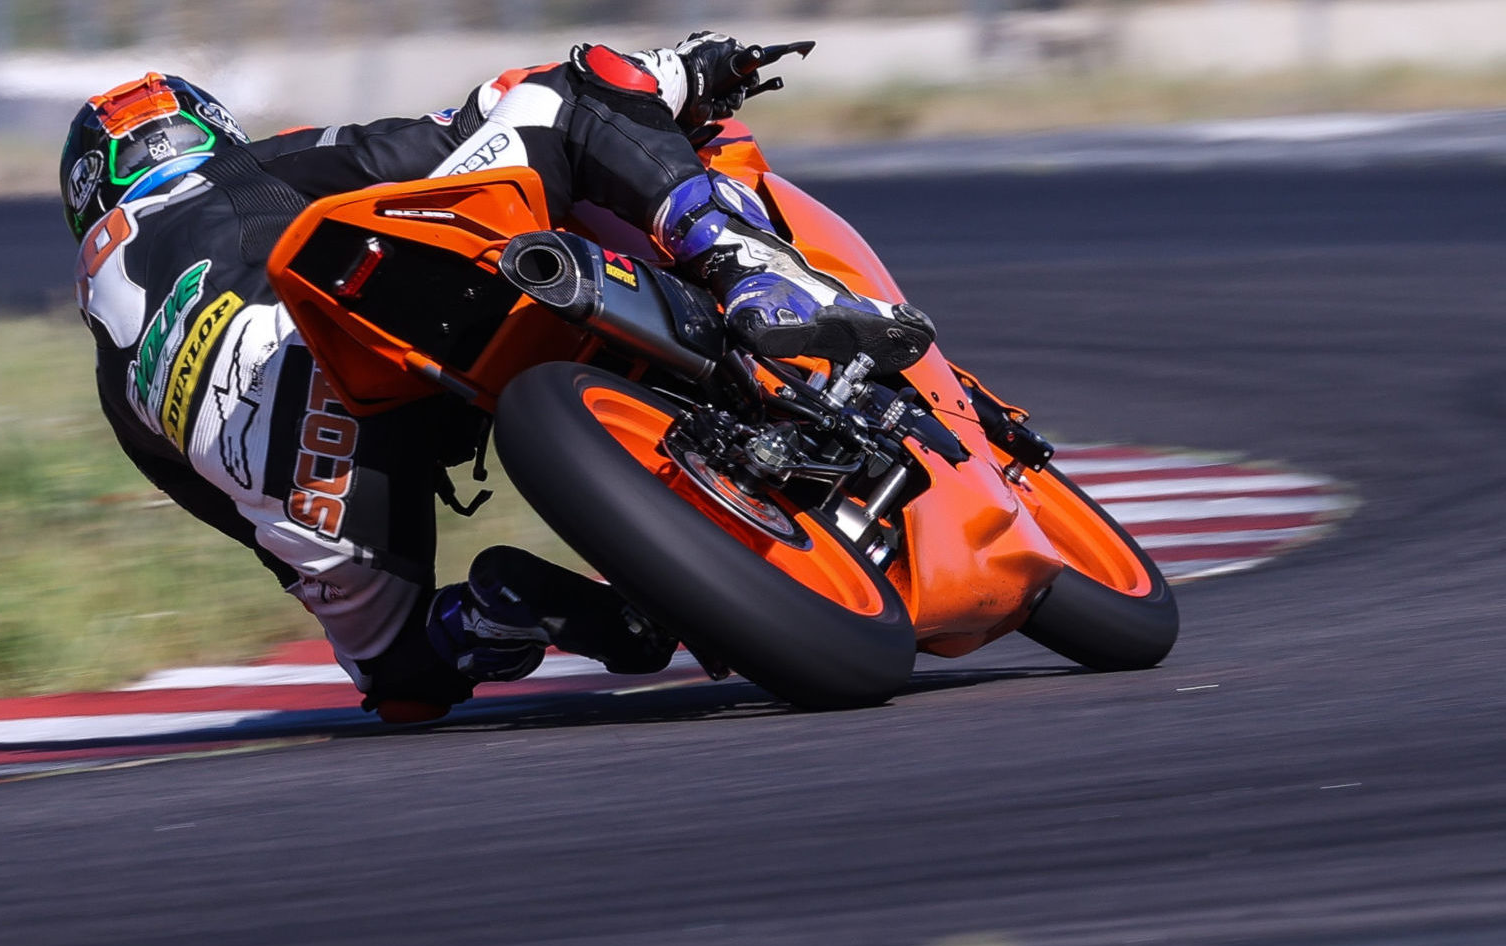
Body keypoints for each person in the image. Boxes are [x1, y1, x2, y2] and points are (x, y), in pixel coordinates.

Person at [60, 34, 937, 722]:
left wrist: (319, 543)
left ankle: (497, 616)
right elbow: (446, 135)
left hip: (301, 475)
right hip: (330, 335)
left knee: (402, 682)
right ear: (207, 131)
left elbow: (224, 509)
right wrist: (683, 75)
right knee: (563, 93)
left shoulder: (112, 357)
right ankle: (746, 265)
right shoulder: (246, 169)